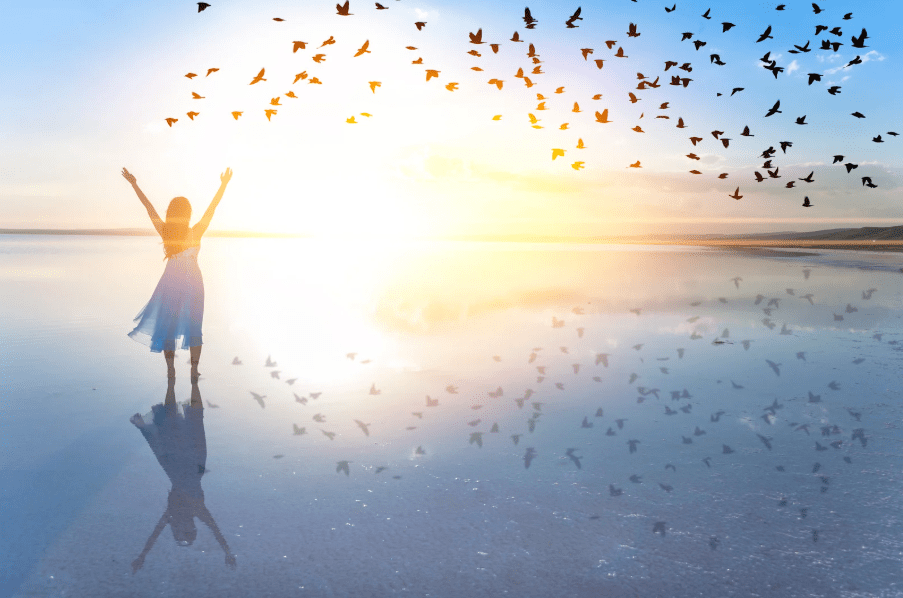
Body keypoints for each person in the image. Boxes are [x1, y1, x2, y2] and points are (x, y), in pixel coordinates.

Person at [121, 167, 232, 380]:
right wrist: (223, 185)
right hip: (194, 283)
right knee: (194, 326)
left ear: (171, 214)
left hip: (171, 283)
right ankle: (194, 369)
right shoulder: (196, 231)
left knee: (169, 327)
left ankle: (171, 369)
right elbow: (212, 208)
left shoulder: (166, 231)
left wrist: (135, 184)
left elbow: (148, 208)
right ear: (188, 215)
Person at [130, 380, 236, 571]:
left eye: (181, 531)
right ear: (191, 528)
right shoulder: (196, 510)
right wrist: (227, 552)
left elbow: (155, 534)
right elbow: (215, 530)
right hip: (191, 465)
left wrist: (142, 556)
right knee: (193, 420)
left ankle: (181, 380)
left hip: (177, 466)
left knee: (175, 427)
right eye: (186, 530)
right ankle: (192, 379)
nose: (183, 527)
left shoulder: (173, 515)